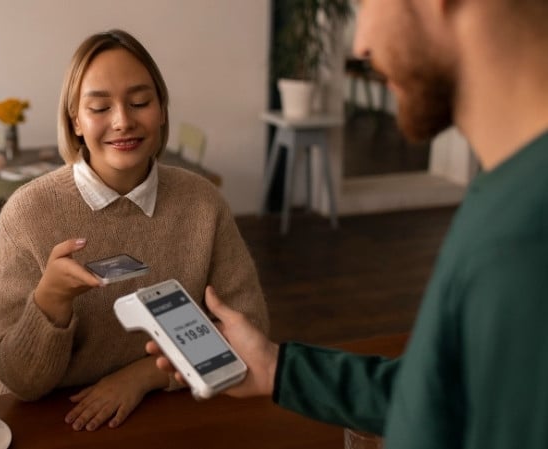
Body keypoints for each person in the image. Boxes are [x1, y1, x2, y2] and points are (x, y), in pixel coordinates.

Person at [149, 1, 548, 447]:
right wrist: (276, 369)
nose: (361, 44)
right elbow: (448, 398)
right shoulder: (509, 194)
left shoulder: (526, 239)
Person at [0, 29, 269, 432]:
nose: (123, 121)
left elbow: (248, 334)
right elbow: (20, 383)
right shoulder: (27, 214)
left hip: (173, 412)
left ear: (162, 110)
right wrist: (51, 300)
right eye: (100, 108)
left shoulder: (203, 203)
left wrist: (146, 376)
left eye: (140, 102)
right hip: (53, 421)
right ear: (76, 121)